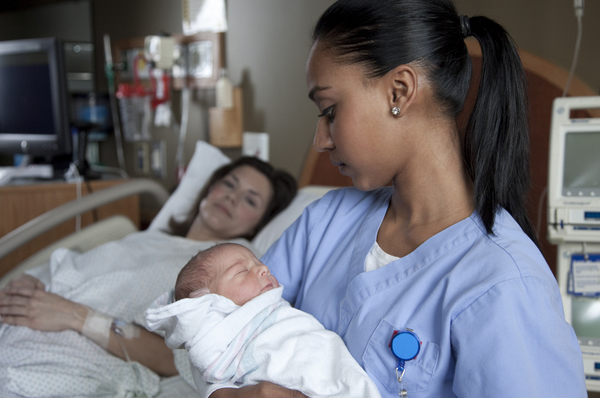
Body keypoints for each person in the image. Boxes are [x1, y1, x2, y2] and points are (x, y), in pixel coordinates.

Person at [210, 1, 587, 397]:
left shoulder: (504, 285)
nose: (320, 141)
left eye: (330, 111)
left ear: (400, 91)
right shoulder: (323, 223)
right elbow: (220, 335)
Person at [0, 156, 297, 397]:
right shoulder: (145, 238)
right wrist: (29, 280)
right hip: (16, 323)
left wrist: (74, 315)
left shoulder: (234, 276)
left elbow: (183, 361)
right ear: (209, 188)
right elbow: (70, 267)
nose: (232, 198)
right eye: (229, 184)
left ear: (260, 222)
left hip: (58, 360)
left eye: (250, 200)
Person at [146, 242, 381, 398]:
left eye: (259, 262)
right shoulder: (219, 338)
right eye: (242, 271)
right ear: (209, 302)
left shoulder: (269, 311)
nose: (264, 268)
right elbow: (210, 367)